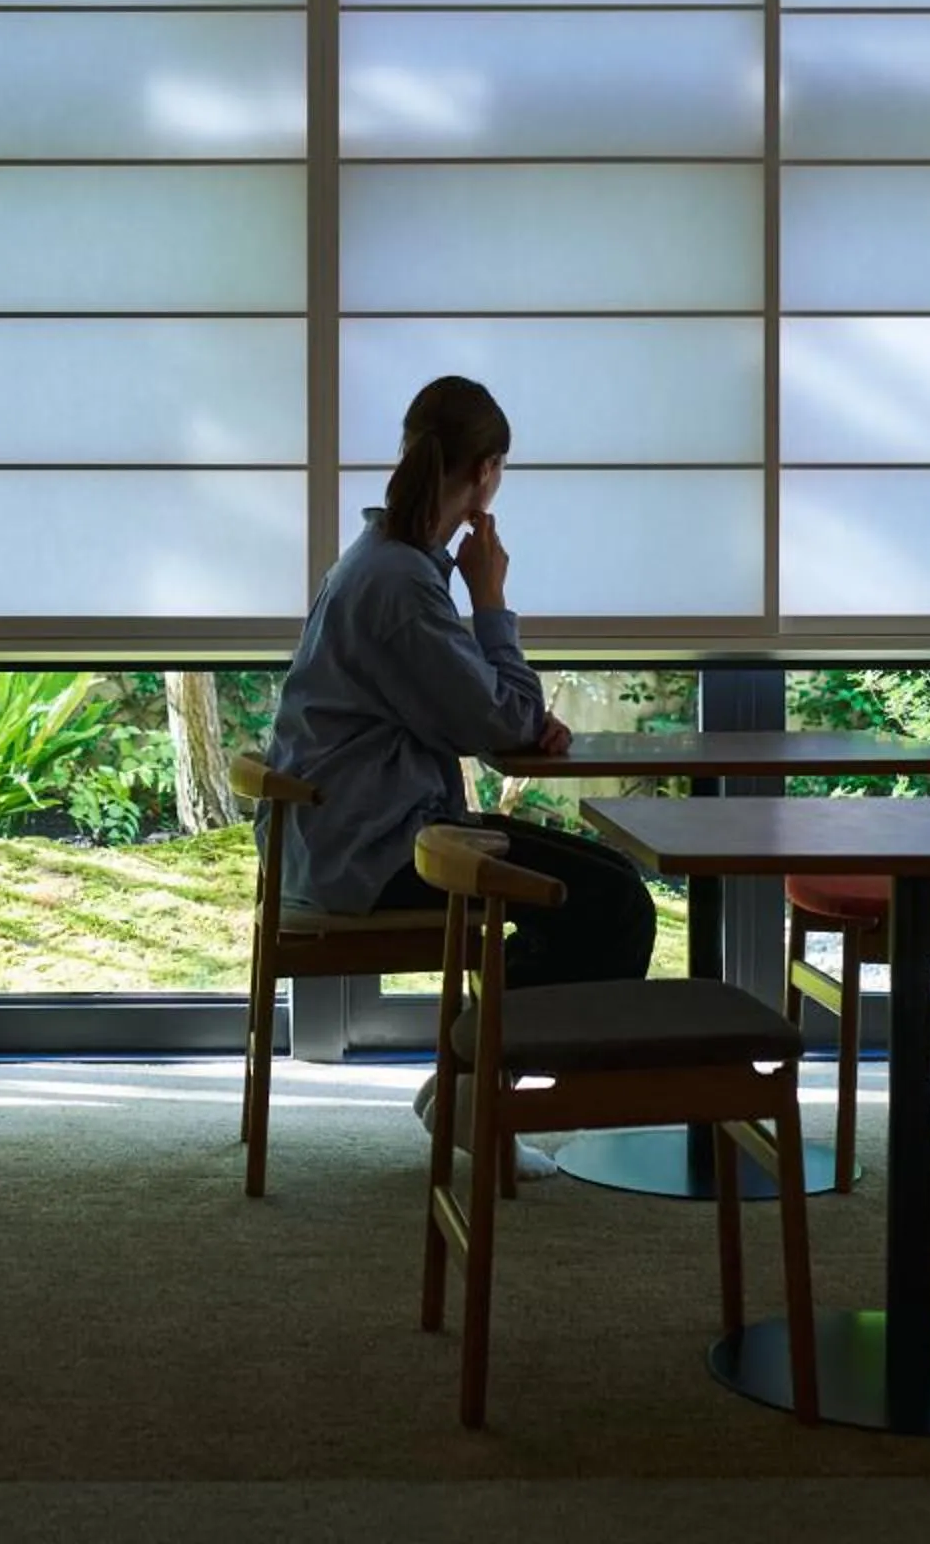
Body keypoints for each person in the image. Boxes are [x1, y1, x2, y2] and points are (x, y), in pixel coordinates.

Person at [260, 375, 658, 1163]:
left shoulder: (386, 562)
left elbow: (479, 711)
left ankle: (468, 1080)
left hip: (353, 832)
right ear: (486, 475)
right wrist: (492, 600)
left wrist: (499, 696)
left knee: (607, 888)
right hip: (376, 849)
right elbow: (498, 724)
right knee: (613, 904)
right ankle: (475, 1087)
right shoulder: (403, 582)